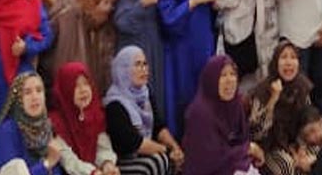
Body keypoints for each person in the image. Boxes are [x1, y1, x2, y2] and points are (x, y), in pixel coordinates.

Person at [159, 0, 221, 137]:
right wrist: (195, 0)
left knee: (205, 89)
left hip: (203, 39)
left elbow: (212, 3)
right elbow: (167, 16)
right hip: (181, 45)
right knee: (184, 94)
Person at [103, 46, 180, 175]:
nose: (144, 69)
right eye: (137, 65)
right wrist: (167, 151)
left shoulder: (145, 94)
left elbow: (158, 127)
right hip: (120, 160)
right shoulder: (114, 104)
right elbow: (134, 143)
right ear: (123, 70)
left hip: (142, 154)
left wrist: (175, 147)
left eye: (145, 64)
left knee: (163, 159)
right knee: (156, 161)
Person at [181, 56, 260, 175]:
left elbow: (241, 139)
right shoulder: (200, 113)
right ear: (211, 80)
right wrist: (247, 149)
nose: (229, 80)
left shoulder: (235, 104)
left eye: (232, 74)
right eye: (223, 75)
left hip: (233, 164)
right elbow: (210, 159)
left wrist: (247, 151)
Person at [248, 42, 314, 175]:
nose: (288, 63)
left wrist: (301, 149)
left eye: (293, 57)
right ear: (275, 62)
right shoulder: (263, 90)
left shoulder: (302, 86)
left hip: (296, 141)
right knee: (287, 165)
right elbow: (257, 133)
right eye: (283, 57)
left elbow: (307, 121)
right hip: (268, 146)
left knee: (318, 154)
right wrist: (273, 99)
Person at [0, 72, 66, 175]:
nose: (35, 97)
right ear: (18, 100)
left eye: (39, 90)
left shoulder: (47, 128)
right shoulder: (7, 131)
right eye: (27, 92)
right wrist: (47, 163)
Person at [49, 63, 120, 175]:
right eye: (76, 86)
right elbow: (69, 162)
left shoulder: (96, 114)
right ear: (66, 89)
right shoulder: (55, 123)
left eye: (86, 83)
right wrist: (93, 172)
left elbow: (102, 147)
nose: (83, 90)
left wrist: (107, 164)